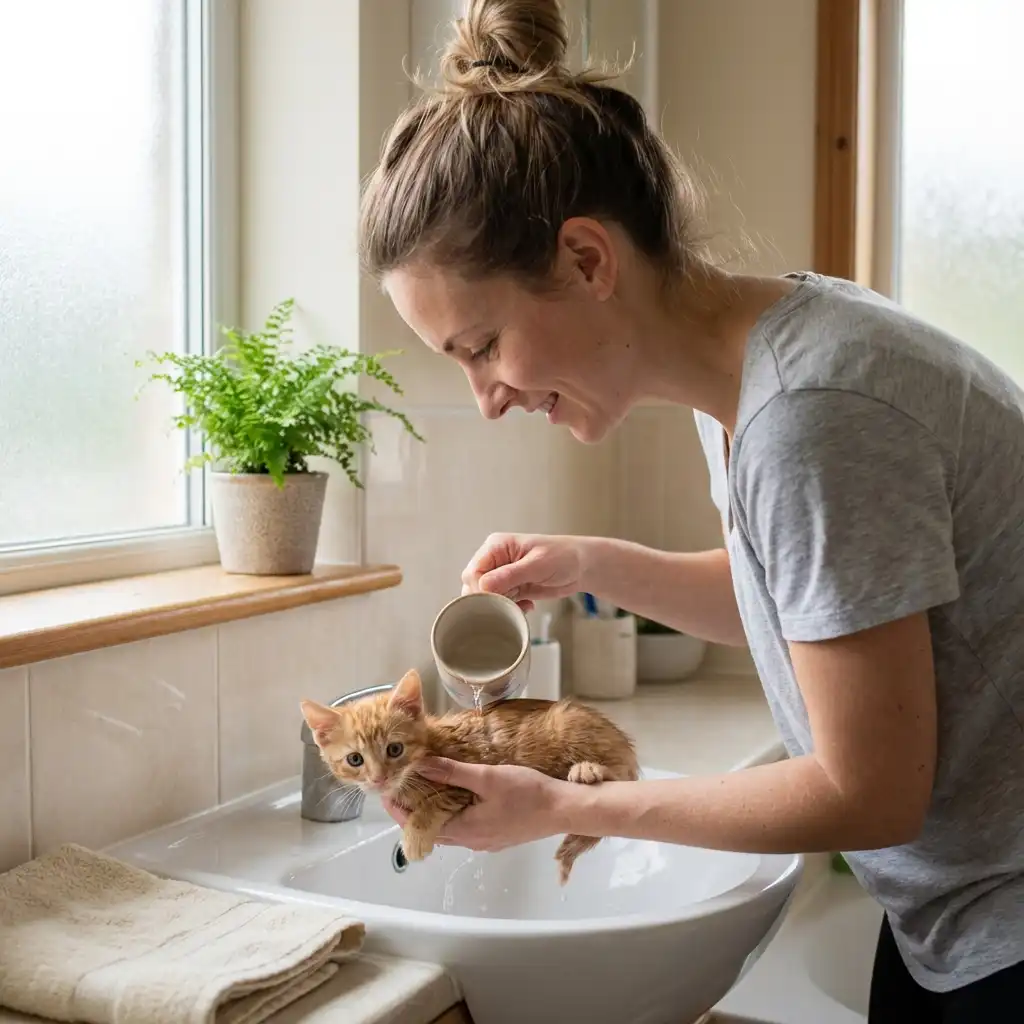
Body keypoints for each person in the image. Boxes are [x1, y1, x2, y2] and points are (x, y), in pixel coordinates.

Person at [357, 0, 1024, 1019]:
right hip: (961, 913)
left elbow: (869, 788)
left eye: (482, 345)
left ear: (587, 261)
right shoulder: (770, 362)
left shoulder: (812, 414)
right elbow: (812, 604)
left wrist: (572, 807)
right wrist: (592, 563)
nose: (486, 398)